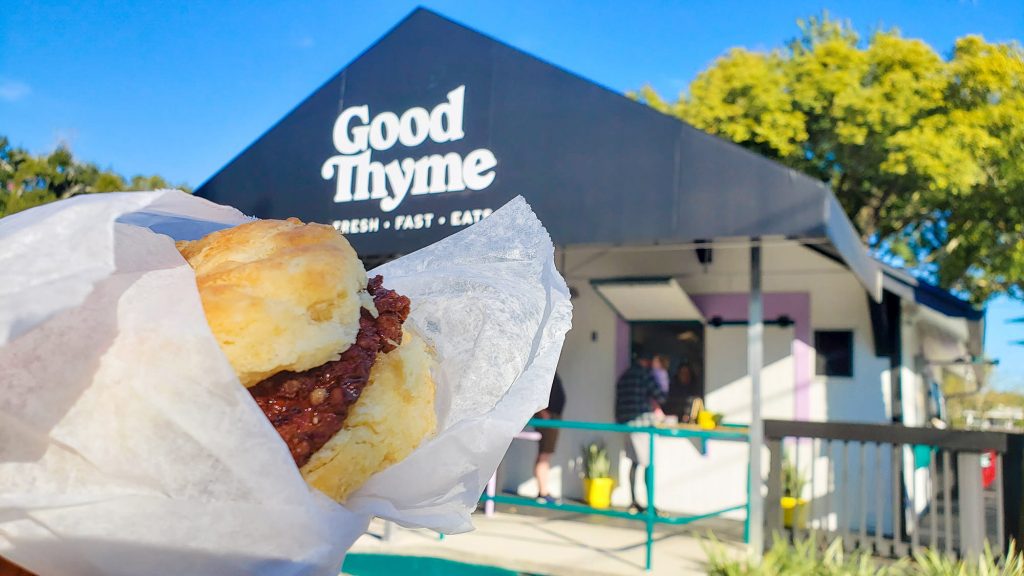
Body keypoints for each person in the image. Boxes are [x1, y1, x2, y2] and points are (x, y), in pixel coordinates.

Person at [615, 353, 667, 513]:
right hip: (641, 424)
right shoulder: (645, 375)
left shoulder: (624, 376)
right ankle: (650, 504)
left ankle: (633, 501)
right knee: (647, 463)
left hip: (625, 424)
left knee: (634, 462)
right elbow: (661, 396)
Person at [534, 373, 566, 504]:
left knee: (545, 455)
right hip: (549, 418)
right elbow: (536, 393)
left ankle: (543, 491)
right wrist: (543, 413)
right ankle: (543, 492)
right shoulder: (543, 372)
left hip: (552, 417)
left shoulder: (549, 371)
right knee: (544, 455)